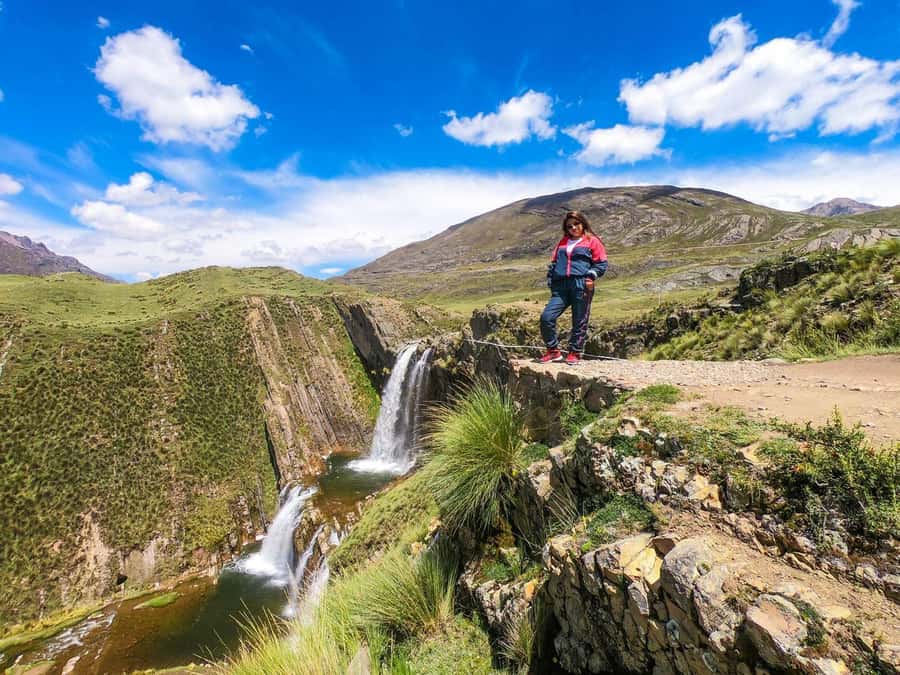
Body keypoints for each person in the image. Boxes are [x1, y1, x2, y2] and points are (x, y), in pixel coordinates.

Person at [539, 210, 608, 365]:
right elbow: (554, 263)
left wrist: (590, 277)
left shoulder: (592, 241)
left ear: (583, 224)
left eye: (576, 224)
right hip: (561, 286)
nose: (574, 228)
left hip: (581, 284)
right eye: (570, 226)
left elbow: (601, 263)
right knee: (546, 317)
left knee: (579, 320)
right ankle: (553, 351)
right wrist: (552, 280)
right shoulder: (563, 242)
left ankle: (574, 353)